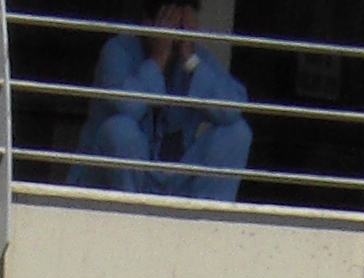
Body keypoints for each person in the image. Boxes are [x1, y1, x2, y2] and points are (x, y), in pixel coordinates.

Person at [78, 1, 252, 200]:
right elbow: (128, 107)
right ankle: (129, 211)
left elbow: (232, 109)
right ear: (148, 24)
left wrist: (191, 61)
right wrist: (158, 58)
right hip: (115, 179)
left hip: (171, 179)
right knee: (120, 129)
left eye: (185, 28)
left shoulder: (194, 55)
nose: (177, 37)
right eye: (172, 26)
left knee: (237, 131)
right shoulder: (118, 50)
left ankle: (206, 214)